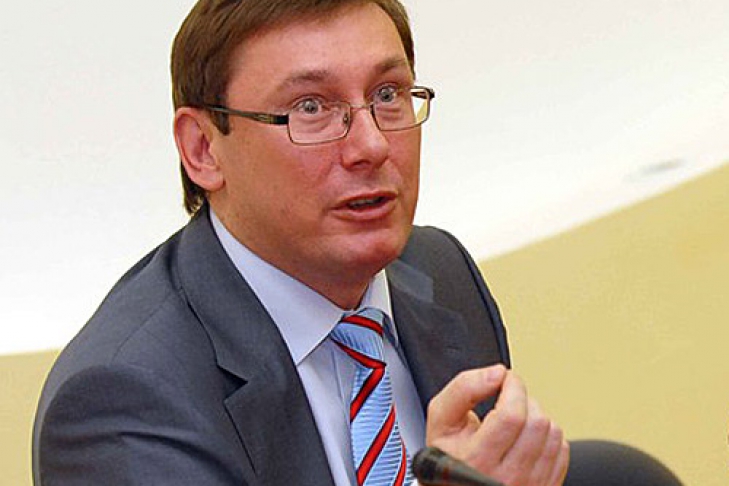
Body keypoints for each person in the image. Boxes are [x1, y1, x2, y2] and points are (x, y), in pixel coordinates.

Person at [32, 1, 680, 485]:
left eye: (387, 95)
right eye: (310, 108)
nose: (371, 145)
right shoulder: (122, 402)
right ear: (203, 148)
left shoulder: (438, 272)